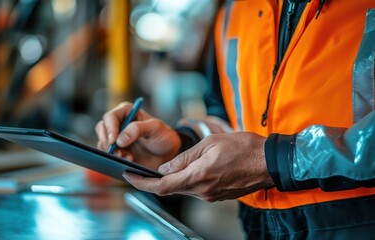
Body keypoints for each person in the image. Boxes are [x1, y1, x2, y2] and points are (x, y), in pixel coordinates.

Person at [96, 0, 375, 238]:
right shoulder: (236, 8)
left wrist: (272, 161)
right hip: (258, 227)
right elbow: (229, 115)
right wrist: (181, 147)